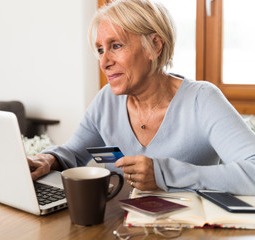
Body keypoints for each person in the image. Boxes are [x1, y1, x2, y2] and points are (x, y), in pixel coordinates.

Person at [27, 0, 255, 195]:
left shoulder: (202, 99)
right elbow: (74, 153)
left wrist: (165, 174)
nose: (104, 62)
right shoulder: (106, 100)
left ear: (154, 46)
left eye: (115, 46)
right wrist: (47, 159)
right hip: (121, 225)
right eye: (100, 50)